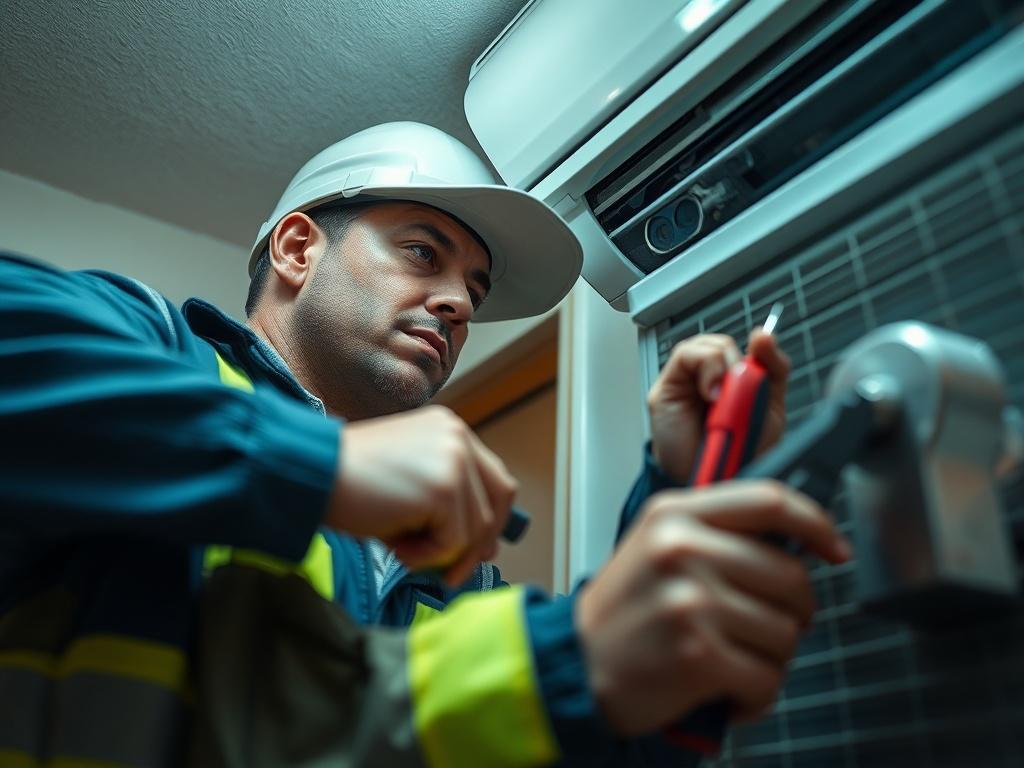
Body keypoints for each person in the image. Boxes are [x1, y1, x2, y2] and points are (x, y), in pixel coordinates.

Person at [0, 122, 850, 767]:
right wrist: (315, 463)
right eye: (420, 252)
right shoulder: (152, 346)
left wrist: (677, 483)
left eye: (473, 291)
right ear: (298, 248)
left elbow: (547, 730)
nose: (457, 306)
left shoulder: (457, 562)